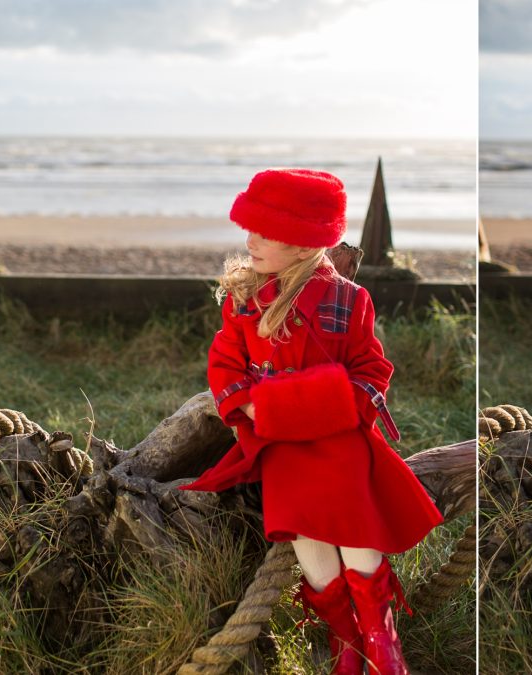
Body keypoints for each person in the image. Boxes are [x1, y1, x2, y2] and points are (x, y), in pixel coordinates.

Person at [181, 168, 443, 675]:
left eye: (266, 231)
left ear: (304, 244)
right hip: (278, 442)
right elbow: (225, 366)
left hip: (338, 438)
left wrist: (321, 403)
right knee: (308, 539)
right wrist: (258, 408)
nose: (250, 240)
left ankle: (382, 644)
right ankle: (344, 643)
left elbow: (372, 370)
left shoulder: (348, 299)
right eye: (249, 227)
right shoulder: (245, 300)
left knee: (353, 528)